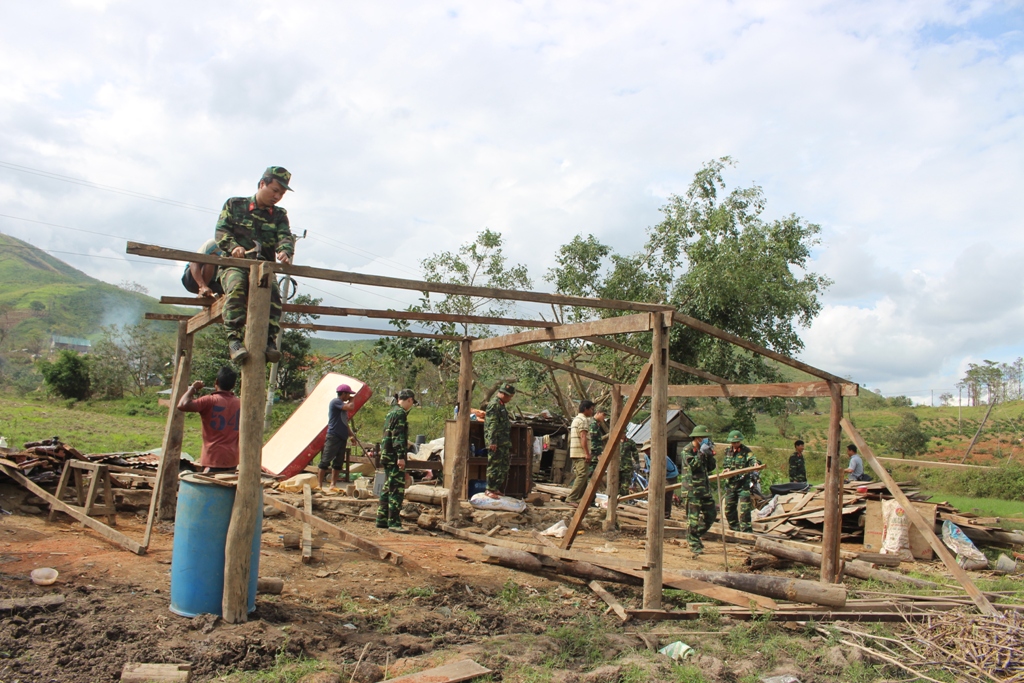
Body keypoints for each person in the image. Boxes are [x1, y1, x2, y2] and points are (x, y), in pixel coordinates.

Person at [215, 166, 296, 364]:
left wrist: (285, 251)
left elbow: (285, 236)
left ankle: (269, 341)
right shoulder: (235, 205)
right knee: (237, 287)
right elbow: (221, 232)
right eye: (275, 190)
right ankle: (234, 340)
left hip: (263, 269)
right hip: (235, 265)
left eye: (282, 194)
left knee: (275, 296)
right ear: (262, 184)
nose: (277, 196)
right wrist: (234, 247)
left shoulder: (279, 215)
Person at [177, 366, 240, 473]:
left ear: (216, 382)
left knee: (209, 487)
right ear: (234, 385)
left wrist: (193, 388)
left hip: (213, 458)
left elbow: (182, 404)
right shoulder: (240, 403)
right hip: (232, 459)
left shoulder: (209, 400)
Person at [377, 389, 415, 532]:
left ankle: (382, 519)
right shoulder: (400, 414)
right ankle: (394, 523)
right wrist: (400, 456)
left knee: (387, 487)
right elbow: (398, 437)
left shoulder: (391, 412)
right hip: (394, 457)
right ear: (409, 400)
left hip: (387, 454)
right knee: (396, 490)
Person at [681, 425, 718, 557]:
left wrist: (710, 454)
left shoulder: (703, 450)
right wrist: (701, 453)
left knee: (711, 515)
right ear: (696, 438)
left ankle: (694, 535)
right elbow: (694, 466)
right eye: (702, 437)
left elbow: (711, 467)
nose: (704, 440)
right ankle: (693, 543)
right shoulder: (687, 450)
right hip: (692, 490)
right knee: (693, 519)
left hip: (704, 489)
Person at [318, 384, 358, 491]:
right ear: (343, 394)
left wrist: (351, 435)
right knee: (325, 461)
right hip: (333, 435)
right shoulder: (336, 402)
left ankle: (333, 485)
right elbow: (351, 407)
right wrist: (352, 399)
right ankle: (319, 485)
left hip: (342, 436)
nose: (349, 396)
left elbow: (345, 423)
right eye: (348, 394)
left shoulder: (342, 408)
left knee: (338, 463)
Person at [721, 429, 758, 532]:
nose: (735, 444)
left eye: (737, 442)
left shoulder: (746, 451)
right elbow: (726, 464)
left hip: (743, 485)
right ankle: (734, 528)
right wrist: (727, 469)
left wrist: (755, 463)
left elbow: (752, 459)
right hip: (731, 484)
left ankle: (746, 530)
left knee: (745, 509)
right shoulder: (727, 451)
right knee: (729, 508)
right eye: (733, 442)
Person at [484, 384, 516, 498]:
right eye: (510, 396)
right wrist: (492, 441)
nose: (510, 399)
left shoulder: (501, 405)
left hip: (503, 442)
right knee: (494, 465)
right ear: (504, 394)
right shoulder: (494, 405)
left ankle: (495, 487)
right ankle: (489, 489)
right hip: (496, 442)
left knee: (503, 466)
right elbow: (492, 424)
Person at [565, 400, 596, 504]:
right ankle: (572, 498)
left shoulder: (576, 419)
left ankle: (581, 498)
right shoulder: (583, 420)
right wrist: (587, 453)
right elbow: (583, 437)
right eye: (591, 409)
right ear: (586, 409)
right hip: (580, 453)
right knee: (582, 475)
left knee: (583, 475)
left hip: (575, 452)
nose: (592, 411)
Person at [640, 439, 678, 520]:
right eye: (645, 450)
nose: (647, 452)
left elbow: (661, 472)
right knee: (654, 492)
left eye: (648, 449)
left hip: (670, 475)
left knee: (666, 493)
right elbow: (651, 471)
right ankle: (655, 513)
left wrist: (656, 483)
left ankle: (666, 515)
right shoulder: (646, 457)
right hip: (658, 474)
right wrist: (650, 484)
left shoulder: (660, 456)